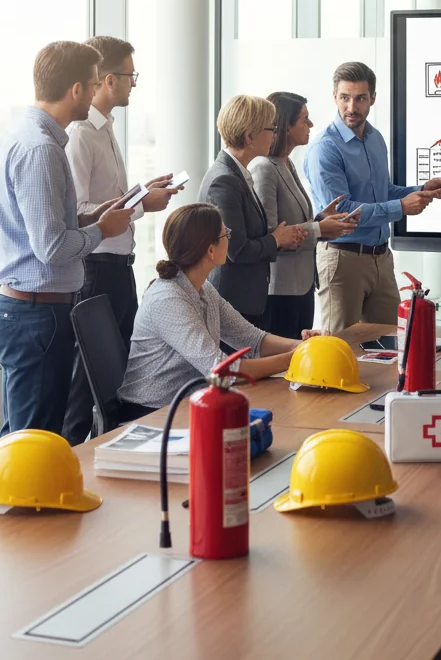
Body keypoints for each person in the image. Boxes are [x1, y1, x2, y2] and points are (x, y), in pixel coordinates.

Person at [0, 41, 135, 435]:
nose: (93, 93)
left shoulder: (36, 137)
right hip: (36, 314)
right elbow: (51, 248)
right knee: (34, 441)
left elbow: (47, 225)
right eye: (90, 85)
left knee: (28, 436)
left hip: (35, 311)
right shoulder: (41, 149)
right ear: (74, 90)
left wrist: (90, 216)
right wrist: (102, 230)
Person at [61, 35, 181, 445]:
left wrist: (141, 194)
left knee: (121, 375)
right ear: (107, 79)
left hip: (118, 267)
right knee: (86, 379)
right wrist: (143, 204)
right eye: (130, 76)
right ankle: (74, 459)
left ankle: (116, 453)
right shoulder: (80, 134)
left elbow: (106, 200)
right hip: (95, 267)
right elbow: (78, 210)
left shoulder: (105, 128)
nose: (133, 84)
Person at [117, 203, 320, 417]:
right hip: (152, 413)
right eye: (226, 234)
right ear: (210, 250)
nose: (229, 239)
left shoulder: (203, 288)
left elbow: (252, 339)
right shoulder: (167, 299)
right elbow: (222, 371)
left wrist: (305, 346)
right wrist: (295, 358)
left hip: (188, 404)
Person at [303, 61, 441, 333]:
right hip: (342, 258)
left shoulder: (375, 139)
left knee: (389, 345)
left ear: (372, 98)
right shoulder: (324, 149)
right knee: (340, 350)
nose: (352, 107)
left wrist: (419, 190)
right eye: (345, 98)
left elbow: (383, 192)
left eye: (360, 98)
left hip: (381, 258)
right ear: (335, 97)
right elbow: (342, 212)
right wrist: (400, 207)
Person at [249, 92, 358, 339]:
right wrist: (320, 229)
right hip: (280, 290)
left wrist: (320, 219)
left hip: (302, 286)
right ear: (286, 126)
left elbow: (294, 222)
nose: (310, 125)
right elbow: (271, 234)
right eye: (304, 119)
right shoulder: (264, 168)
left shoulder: (286, 163)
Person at [198, 95, 306, 328]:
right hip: (235, 301)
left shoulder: (238, 174)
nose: (274, 136)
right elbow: (237, 250)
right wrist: (276, 239)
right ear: (250, 137)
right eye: (271, 129)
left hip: (246, 300)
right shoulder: (225, 180)